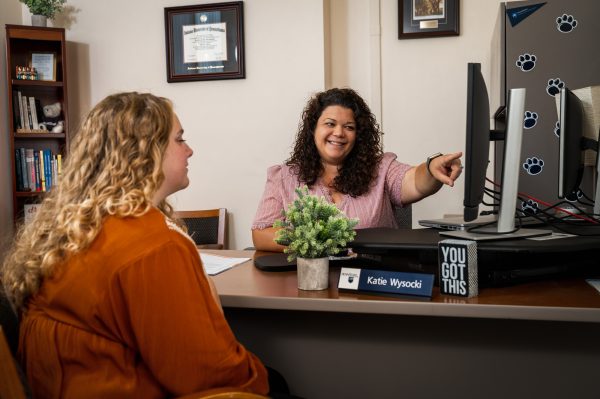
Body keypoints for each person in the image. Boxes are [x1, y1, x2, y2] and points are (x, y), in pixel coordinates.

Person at [1, 92, 271, 398]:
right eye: (180, 140)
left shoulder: (71, 227)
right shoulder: (153, 245)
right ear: (145, 152)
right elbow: (210, 375)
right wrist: (258, 375)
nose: (190, 151)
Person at [252, 87, 463, 252]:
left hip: (373, 285)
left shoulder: (381, 169)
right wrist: (321, 242)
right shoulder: (283, 177)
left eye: (349, 127)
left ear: (358, 135)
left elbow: (415, 181)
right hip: (309, 284)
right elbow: (261, 233)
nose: (339, 133)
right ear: (313, 129)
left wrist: (431, 167)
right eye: (330, 123)